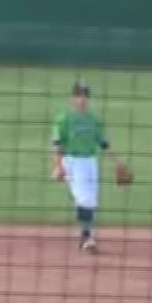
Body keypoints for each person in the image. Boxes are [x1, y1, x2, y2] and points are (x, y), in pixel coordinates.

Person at [51, 81, 129, 253]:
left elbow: (103, 143)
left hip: (90, 162)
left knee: (90, 201)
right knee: (84, 199)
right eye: (78, 95)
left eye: (85, 95)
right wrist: (58, 166)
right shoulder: (64, 119)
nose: (82, 99)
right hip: (71, 161)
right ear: (72, 98)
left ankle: (86, 236)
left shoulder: (94, 120)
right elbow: (57, 144)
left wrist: (117, 161)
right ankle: (87, 238)